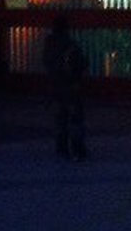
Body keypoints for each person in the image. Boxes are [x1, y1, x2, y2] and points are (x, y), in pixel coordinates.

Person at [42, 15, 86, 161]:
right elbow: (80, 63)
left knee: (60, 117)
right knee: (75, 118)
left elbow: (45, 62)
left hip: (55, 85)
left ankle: (61, 146)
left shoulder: (49, 45)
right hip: (71, 86)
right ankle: (77, 148)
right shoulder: (70, 44)